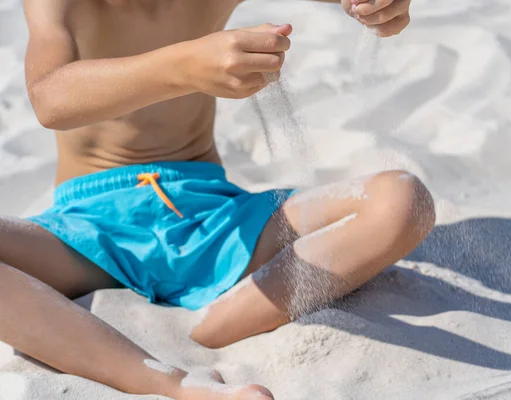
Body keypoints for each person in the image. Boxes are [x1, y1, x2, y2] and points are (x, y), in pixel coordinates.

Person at [0, 0, 434, 398]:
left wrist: (372, 4)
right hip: (85, 235)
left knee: (401, 198)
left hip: (219, 219)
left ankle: (213, 326)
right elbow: (50, 97)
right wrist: (183, 65)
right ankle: (169, 381)